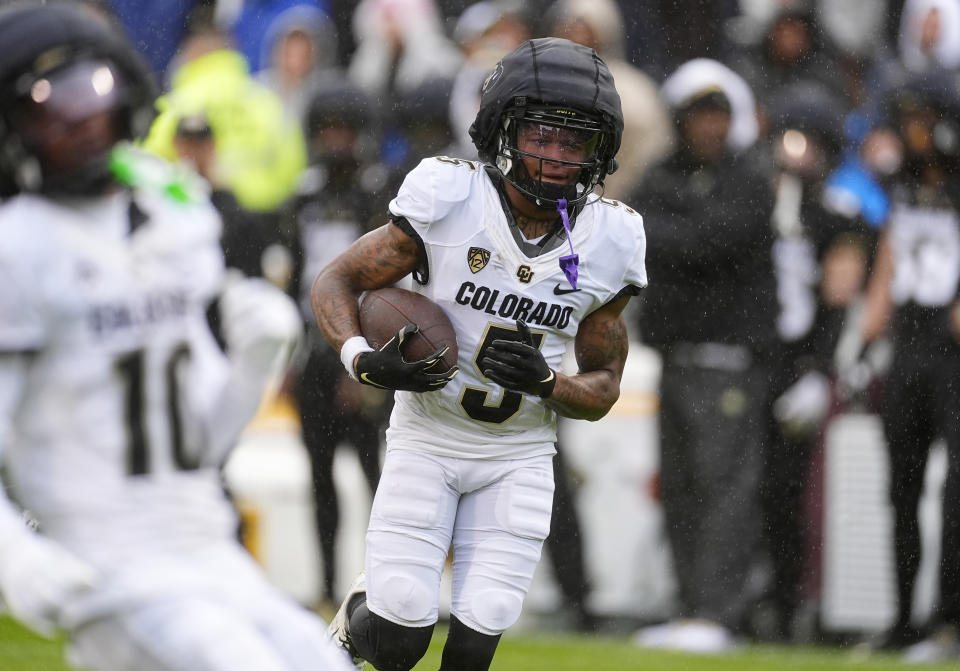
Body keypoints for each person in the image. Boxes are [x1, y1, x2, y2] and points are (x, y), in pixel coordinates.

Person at [0, 4, 353, 671]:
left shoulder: (169, 211)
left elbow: (200, 441)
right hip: (110, 564)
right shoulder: (19, 247)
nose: (76, 122)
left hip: (203, 543)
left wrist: (251, 362)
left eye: (90, 95)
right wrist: (14, 555)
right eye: (45, 107)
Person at [312, 37, 646, 671]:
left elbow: (604, 387)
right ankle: (354, 626)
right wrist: (361, 357)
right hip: (428, 437)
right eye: (541, 136)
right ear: (503, 130)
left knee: (473, 651)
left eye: (574, 143)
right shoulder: (449, 196)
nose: (555, 157)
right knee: (400, 642)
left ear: (598, 153)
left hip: (517, 453)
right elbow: (335, 280)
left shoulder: (612, 237)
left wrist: (548, 382)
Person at [629, 62, 778, 653]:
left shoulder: (749, 178)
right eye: (698, 115)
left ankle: (719, 611)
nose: (709, 128)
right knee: (684, 487)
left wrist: (673, 233)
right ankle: (691, 605)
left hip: (730, 359)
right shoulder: (663, 175)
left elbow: (708, 239)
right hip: (676, 355)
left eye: (718, 115)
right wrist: (677, 234)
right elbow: (640, 231)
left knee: (725, 490)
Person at [854, 71, 960, 661]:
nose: (913, 131)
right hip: (912, 349)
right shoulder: (901, 184)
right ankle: (902, 619)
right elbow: (888, 270)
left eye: (923, 118)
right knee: (901, 487)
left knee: (955, 495)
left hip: (954, 356)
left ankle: (947, 617)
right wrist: (861, 345)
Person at [283, 77, 393, 607]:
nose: (335, 142)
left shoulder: (382, 195)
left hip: (365, 354)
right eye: (327, 131)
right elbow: (288, 281)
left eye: (344, 131)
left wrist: (367, 363)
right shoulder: (301, 197)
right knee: (319, 479)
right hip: (314, 355)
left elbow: (387, 288)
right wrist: (289, 360)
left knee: (381, 482)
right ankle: (328, 587)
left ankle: (388, 586)